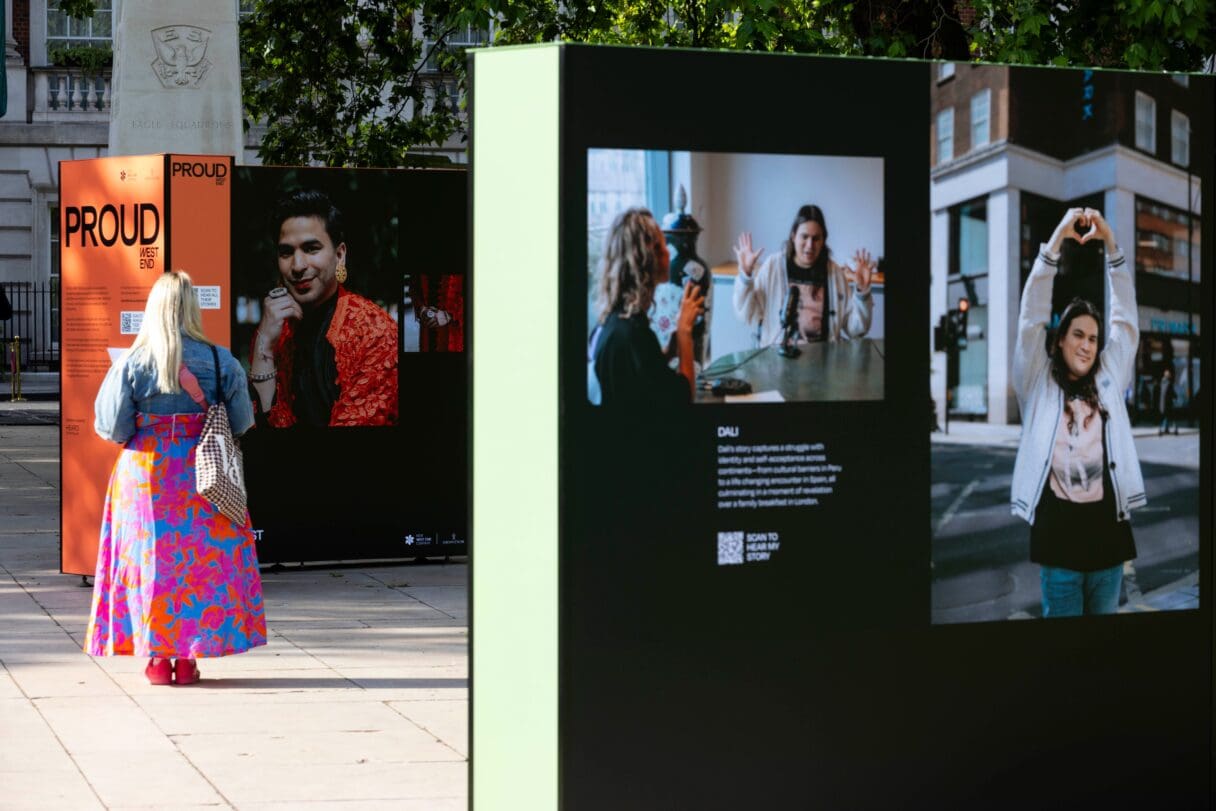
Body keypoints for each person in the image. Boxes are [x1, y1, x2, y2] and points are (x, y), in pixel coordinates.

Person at [86, 270, 266, 685]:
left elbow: (111, 426)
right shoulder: (222, 361)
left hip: (146, 474)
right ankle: (188, 659)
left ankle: (155, 661)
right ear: (192, 309)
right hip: (204, 474)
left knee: (150, 565)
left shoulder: (134, 361)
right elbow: (241, 422)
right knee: (197, 570)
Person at [1010, 207, 1145, 618]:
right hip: (1060, 544)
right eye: (1078, 335)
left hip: (1108, 542)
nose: (1087, 345)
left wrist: (1111, 245)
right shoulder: (1038, 381)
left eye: (1093, 338)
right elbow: (1031, 317)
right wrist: (1056, 242)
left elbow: (1126, 323)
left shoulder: (1108, 378)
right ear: (1061, 340)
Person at [248, 189, 398, 427]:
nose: (297, 266)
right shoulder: (278, 330)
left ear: (339, 255)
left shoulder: (374, 331)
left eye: (311, 249)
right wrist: (264, 345)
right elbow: (262, 426)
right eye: (286, 252)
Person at [589, 207, 705, 408]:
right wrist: (685, 332)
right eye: (660, 247)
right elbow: (683, 400)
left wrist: (668, 352)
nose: (669, 250)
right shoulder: (633, 335)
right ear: (644, 261)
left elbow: (643, 379)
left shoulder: (615, 322)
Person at [732, 204, 875, 347]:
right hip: (778, 362)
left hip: (823, 363)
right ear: (793, 236)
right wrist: (745, 276)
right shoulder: (773, 267)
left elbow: (856, 330)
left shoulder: (835, 274)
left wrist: (862, 292)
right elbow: (746, 315)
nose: (809, 245)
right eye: (804, 237)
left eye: (816, 238)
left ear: (823, 240)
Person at [1158, 367, 1178, 435]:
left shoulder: (1162, 383)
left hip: (1162, 404)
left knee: (1164, 417)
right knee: (1171, 417)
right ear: (1168, 376)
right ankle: (1174, 429)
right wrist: (1175, 396)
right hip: (1168, 404)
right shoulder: (1169, 384)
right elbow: (1172, 393)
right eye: (1169, 375)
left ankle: (1164, 429)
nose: (1170, 376)